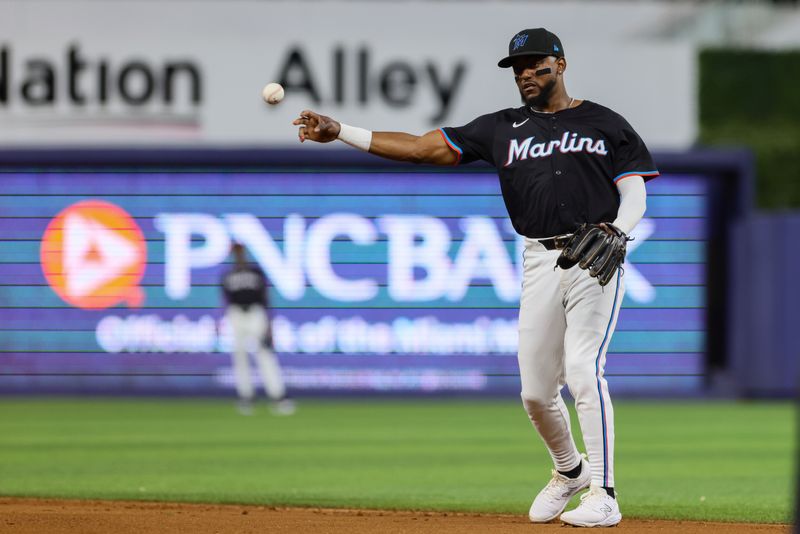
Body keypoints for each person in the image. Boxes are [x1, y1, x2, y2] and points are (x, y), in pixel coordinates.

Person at [292, 27, 657, 528]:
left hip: (595, 254)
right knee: (534, 392)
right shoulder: (501, 128)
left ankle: (605, 493)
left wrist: (617, 229)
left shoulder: (604, 122)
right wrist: (342, 132)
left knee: (583, 369)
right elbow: (421, 148)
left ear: (561, 64)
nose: (527, 73)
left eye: (536, 63)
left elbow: (634, 191)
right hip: (539, 259)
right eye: (518, 67)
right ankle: (570, 470)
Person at [221, 243, 295, 416]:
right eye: (235, 252)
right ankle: (246, 397)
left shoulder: (255, 272)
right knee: (240, 357)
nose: (238, 255)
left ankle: (277, 396)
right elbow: (225, 299)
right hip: (236, 313)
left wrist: (268, 322)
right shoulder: (228, 275)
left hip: (255, 312)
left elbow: (265, 296)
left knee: (265, 354)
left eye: (240, 251)